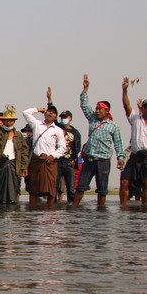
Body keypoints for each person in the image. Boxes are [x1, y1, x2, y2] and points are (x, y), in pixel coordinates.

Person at [73, 74, 125, 208]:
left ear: (106, 111)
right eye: (96, 108)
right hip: (89, 160)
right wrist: (85, 90)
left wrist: (121, 157)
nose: (97, 111)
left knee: (102, 190)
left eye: (99, 109)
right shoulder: (92, 119)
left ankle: (101, 213)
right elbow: (84, 105)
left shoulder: (113, 126)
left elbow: (118, 143)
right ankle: (75, 209)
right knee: (80, 187)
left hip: (103, 161)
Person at [0, 99, 29, 204]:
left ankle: (12, 208)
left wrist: (24, 167)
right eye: (6, 120)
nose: (9, 122)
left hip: (13, 164)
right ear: (3, 121)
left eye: (11, 120)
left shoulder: (18, 135)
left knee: (13, 188)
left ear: (14, 121)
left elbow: (25, 152)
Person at [23, 97, 66, 207]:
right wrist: (38, 109)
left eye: (53, 112)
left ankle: (50, 210)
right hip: (36, 160)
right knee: (33, 188)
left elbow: (62, 148)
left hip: (50, 162)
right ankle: (32, 210)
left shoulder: (58, 131)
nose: (50, 113)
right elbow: (25, 113)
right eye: (49, 111)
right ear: (45, 114)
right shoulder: (37, 125)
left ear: (56, 117)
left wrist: (53, 156)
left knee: (51, 189)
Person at [119, 77, 147, 206]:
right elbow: (126, 105)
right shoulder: (136, 118)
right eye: (145, 107)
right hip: (135, 155)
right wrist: (125, 91)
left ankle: (144, 210)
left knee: (146, 184)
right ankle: (123, 208)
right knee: (124, 181)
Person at [56, 110, 81, 203]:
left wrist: (74, 159)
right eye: (62, 117)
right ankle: (52, 207)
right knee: (54, 187)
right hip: (58, 161)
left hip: (69, 162)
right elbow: (52, 116)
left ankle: (71, 209)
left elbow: (77, 147)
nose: (63, 119)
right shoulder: (57, 128)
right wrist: (49, 100)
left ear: (70, 118)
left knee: (70, 188)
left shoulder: (75, 132)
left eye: (65, 117)